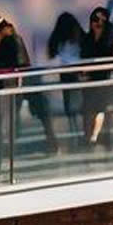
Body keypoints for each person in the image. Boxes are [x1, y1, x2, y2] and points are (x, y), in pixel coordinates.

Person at [0, 16, 60, 156]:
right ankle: (49, 144)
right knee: (29, 115)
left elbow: (17, 62)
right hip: (23, 81)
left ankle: (13, 148)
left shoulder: (12, 40)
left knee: (17, 115)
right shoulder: (10, 40)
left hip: (22, 82)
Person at [79, 5, 113, 145]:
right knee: (87, 109)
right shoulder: (87, 38)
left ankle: (94, 136)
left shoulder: (110, 37)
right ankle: (87, 136)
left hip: (104, 78)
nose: (97, 23)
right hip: (89, 79)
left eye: (101, 20)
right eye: (94, 19)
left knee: (99, 109)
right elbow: (83, 56)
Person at [47, 11, 87, 140]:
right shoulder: (80, 38)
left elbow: (53, 55)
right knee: (82, 102)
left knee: (70, 103)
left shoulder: (59, 40)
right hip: (80, 72)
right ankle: (83, 133)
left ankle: (74, 131)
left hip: (66, 73)